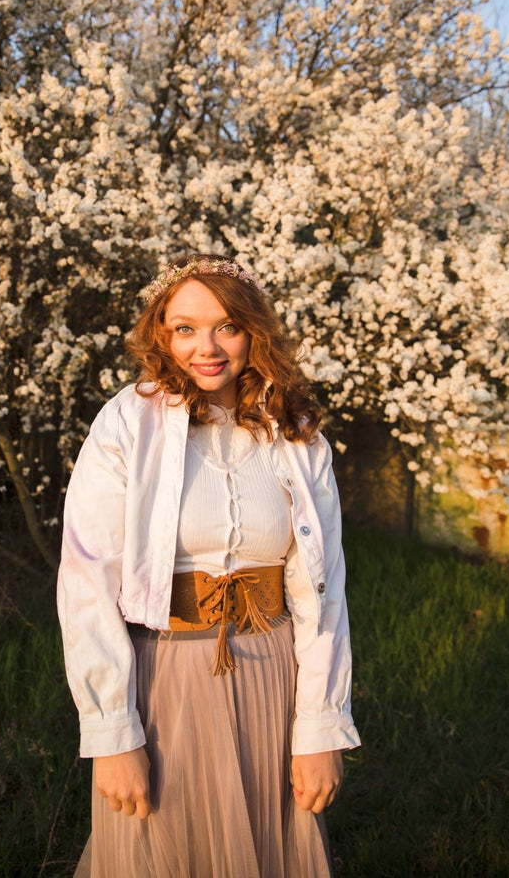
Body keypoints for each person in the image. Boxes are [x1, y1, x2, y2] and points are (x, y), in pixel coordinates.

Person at [57, 253, 360, 878]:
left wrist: (320, 726)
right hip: (164, 681)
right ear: (162, 335)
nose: (208, 347)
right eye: (186, 328)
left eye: (227, 326)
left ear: (254, 331)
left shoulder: (296, 432)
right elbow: (86, 578)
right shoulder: (127, 422)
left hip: (271, 678)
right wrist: (114, 734)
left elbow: (322, 588)